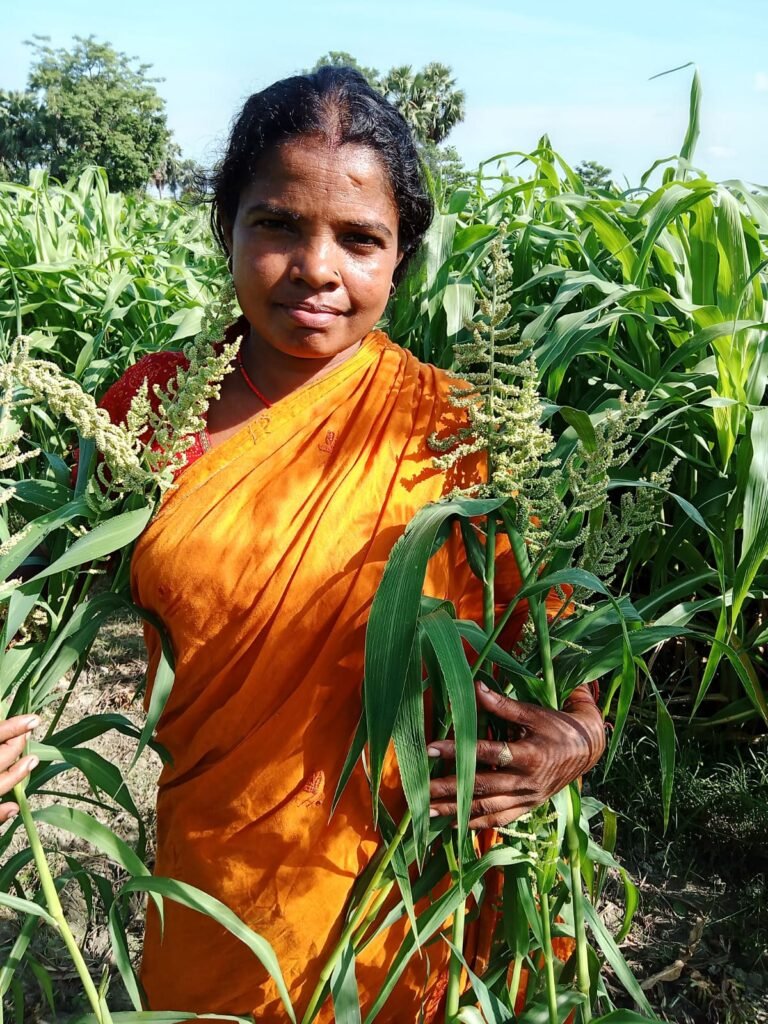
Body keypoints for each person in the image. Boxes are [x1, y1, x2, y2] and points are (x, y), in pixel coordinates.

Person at [0, 68, 606, 1021]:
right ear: (224, 229)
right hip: (217, 880)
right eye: (277, 223)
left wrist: (577, 734)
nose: (317, 268)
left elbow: (555, 641)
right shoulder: (151, 412)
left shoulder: (466, 432)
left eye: (360, 239)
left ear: (401, 257)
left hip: (409, 887)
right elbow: (42, 600)